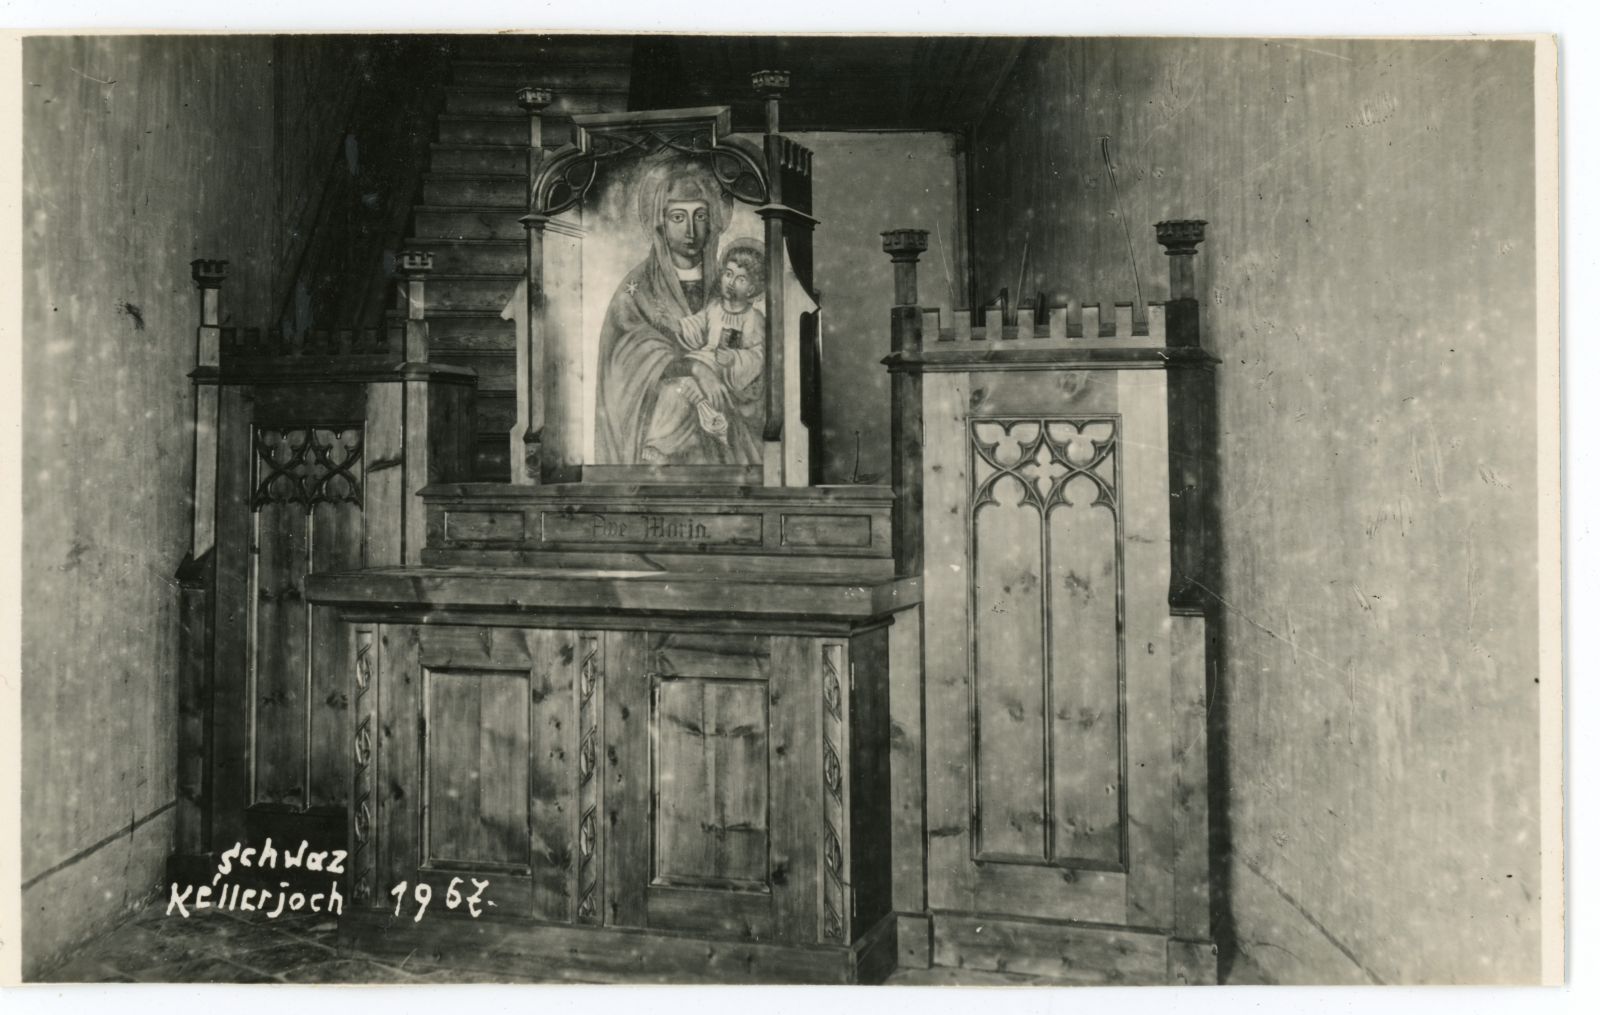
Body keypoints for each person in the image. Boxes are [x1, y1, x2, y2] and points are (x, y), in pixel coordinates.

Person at [593, 159, 764, 467]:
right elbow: (625, 363)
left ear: (712, 221)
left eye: (700, 216)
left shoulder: (725, 283)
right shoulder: (638, 286)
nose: (690, 230)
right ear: (660, 223)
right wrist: (696, 369)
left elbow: (753, 350)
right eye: (677, 217)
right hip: (660, 418)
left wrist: (730, 368)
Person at [640, 241, 767, 464]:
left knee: (679, 392)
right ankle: (658, 444)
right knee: (671, 389)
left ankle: (671, 440)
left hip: (727, 374)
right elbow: (695, 326)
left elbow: (758, 354)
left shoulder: (753, 318)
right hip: (702, 361)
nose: (731, 282)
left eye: (741, 278)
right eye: (728, 274)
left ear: (753, 288)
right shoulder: (714, 308)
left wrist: (735, 359)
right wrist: (677, 325)